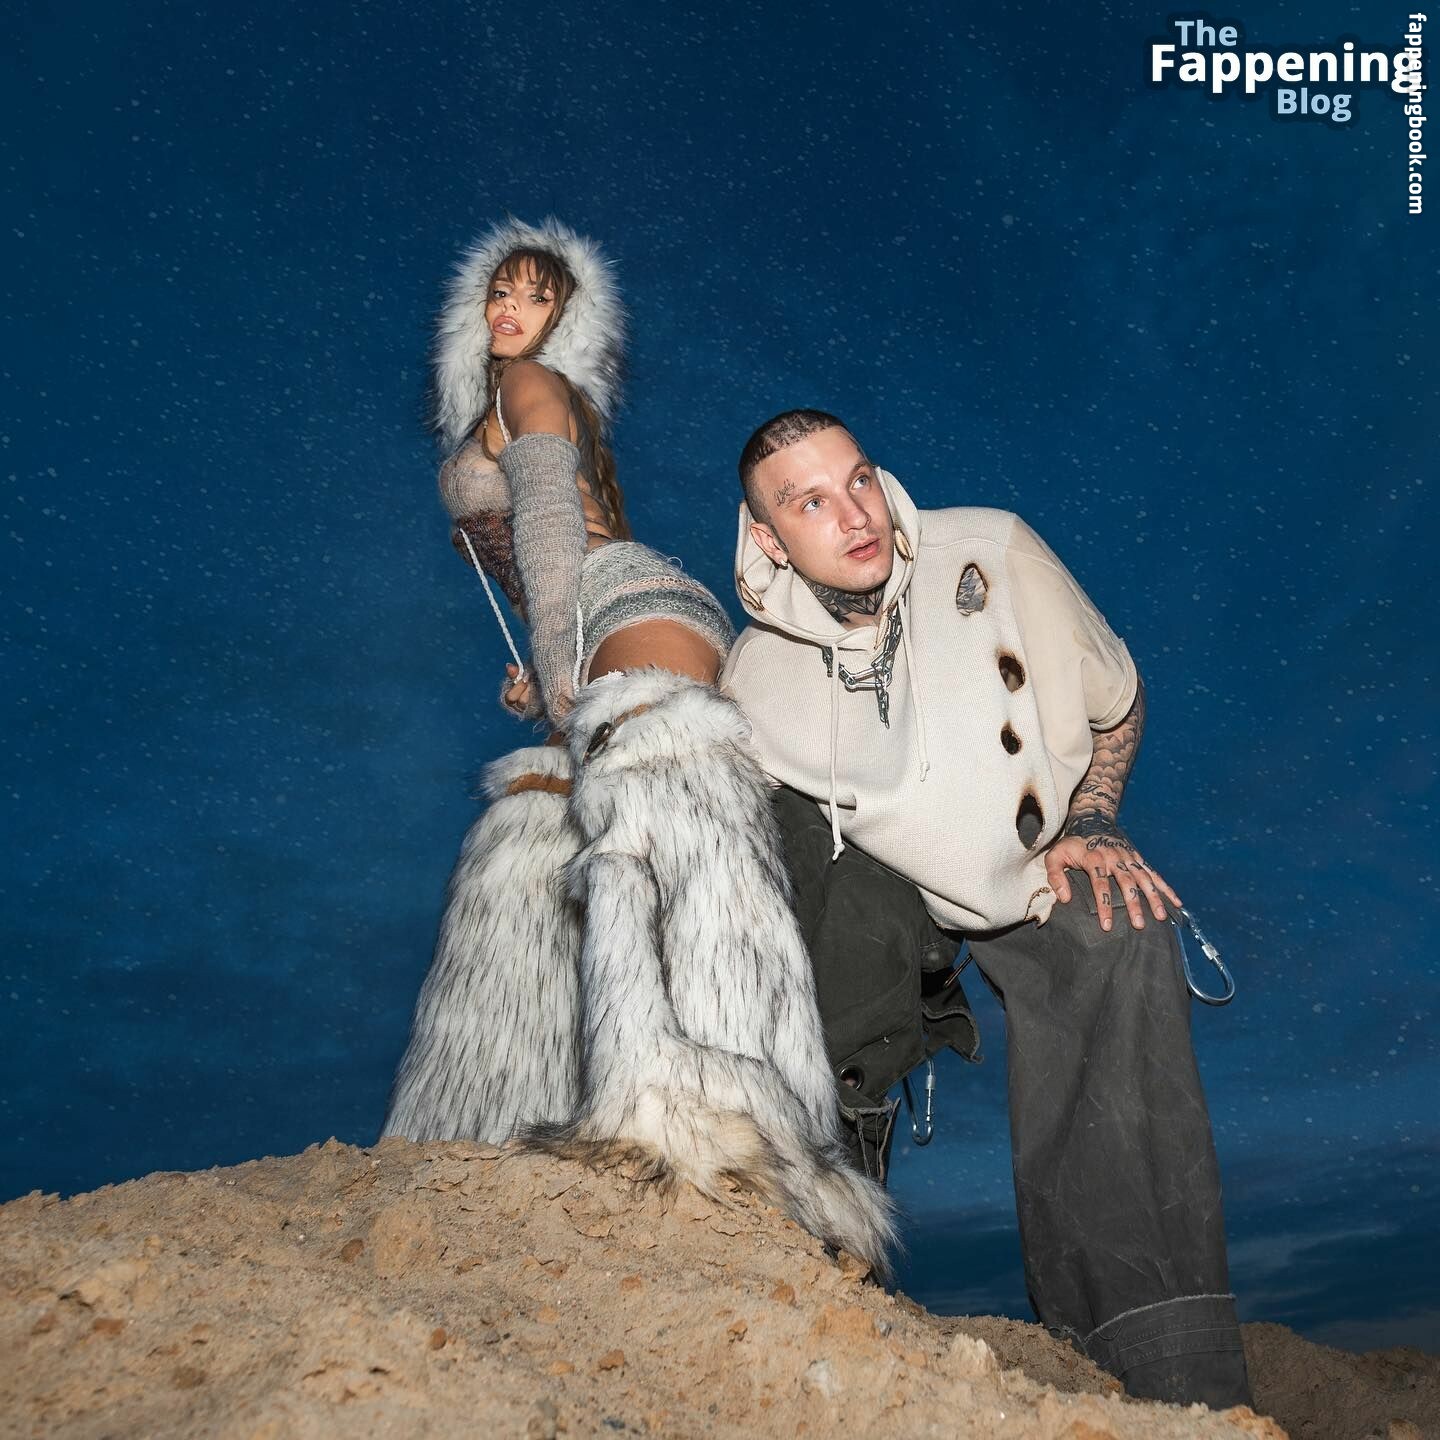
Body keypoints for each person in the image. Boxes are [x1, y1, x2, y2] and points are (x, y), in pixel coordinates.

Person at [718, 408, 1253, 1410]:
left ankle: (1155, 1354)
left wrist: (1095, 817)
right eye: (810, 502)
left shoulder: (993, 552)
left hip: (1029, 860)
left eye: (859, 478)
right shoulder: (755, 675)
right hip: (882, 888)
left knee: (1121, 933)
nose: (855, 514)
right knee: (817, 886)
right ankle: (824, 1231)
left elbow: (1118, 703)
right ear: (769, 539)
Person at [381, 225, 890, 1268]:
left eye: (535, 295)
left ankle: (728, 1121)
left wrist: (560, 658)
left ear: (564, 319)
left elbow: (550, 527)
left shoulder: (528, 385)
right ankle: (497, 1118)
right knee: (539, 836)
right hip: (594, 616)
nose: (509, 310)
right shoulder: (511, 397)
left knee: (667, 814)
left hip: (621, 601)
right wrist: (552, 680)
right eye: (498, 293)